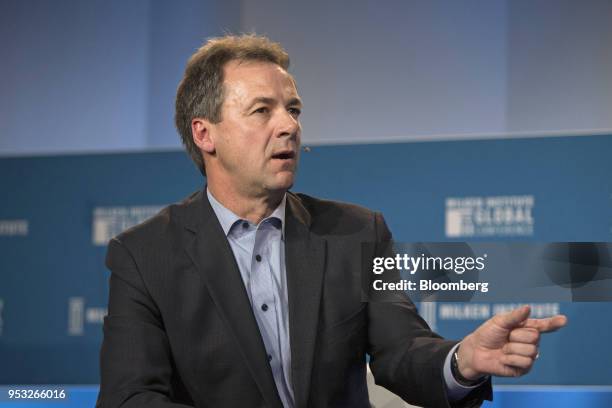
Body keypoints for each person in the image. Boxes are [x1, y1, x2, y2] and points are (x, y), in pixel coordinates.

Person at [96, 34, 567, 408]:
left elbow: (400, 351)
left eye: (293, 109)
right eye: (263, 110)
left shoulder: (356, 233)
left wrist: (463, 360)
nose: (289, 126)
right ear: (205, 133)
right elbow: (129, 397)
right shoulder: (144, 254)